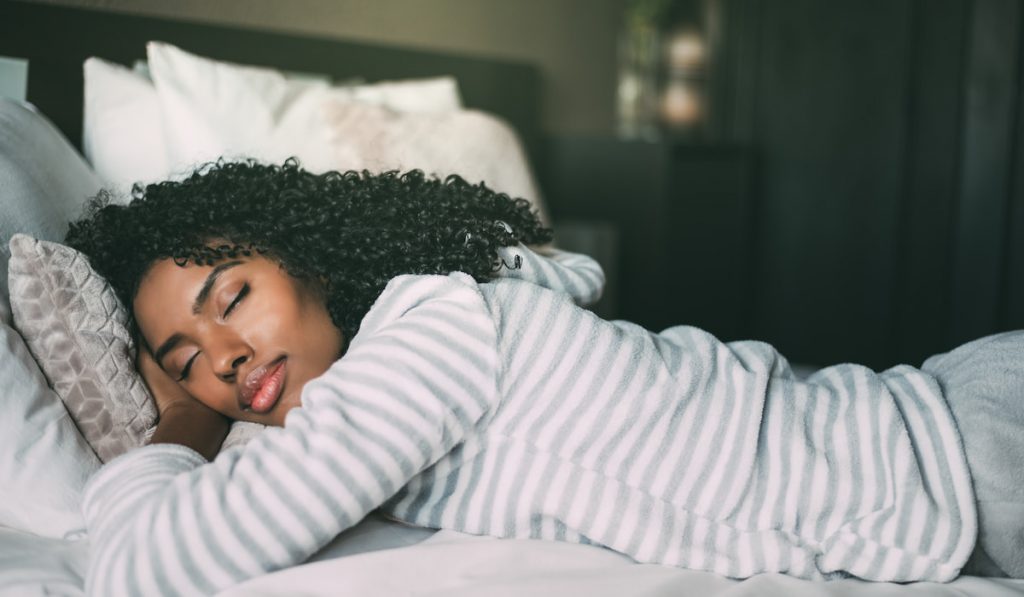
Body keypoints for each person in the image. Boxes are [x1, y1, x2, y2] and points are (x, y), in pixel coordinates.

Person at [66, 160, 1022, 596]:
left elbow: (140, 567)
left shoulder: (419, 347)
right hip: (949, 425)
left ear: (308, 260)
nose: (223, 358)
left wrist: (181, 419)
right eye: (187, 358)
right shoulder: (452, 310)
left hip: (960, 456)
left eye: (232, 295)